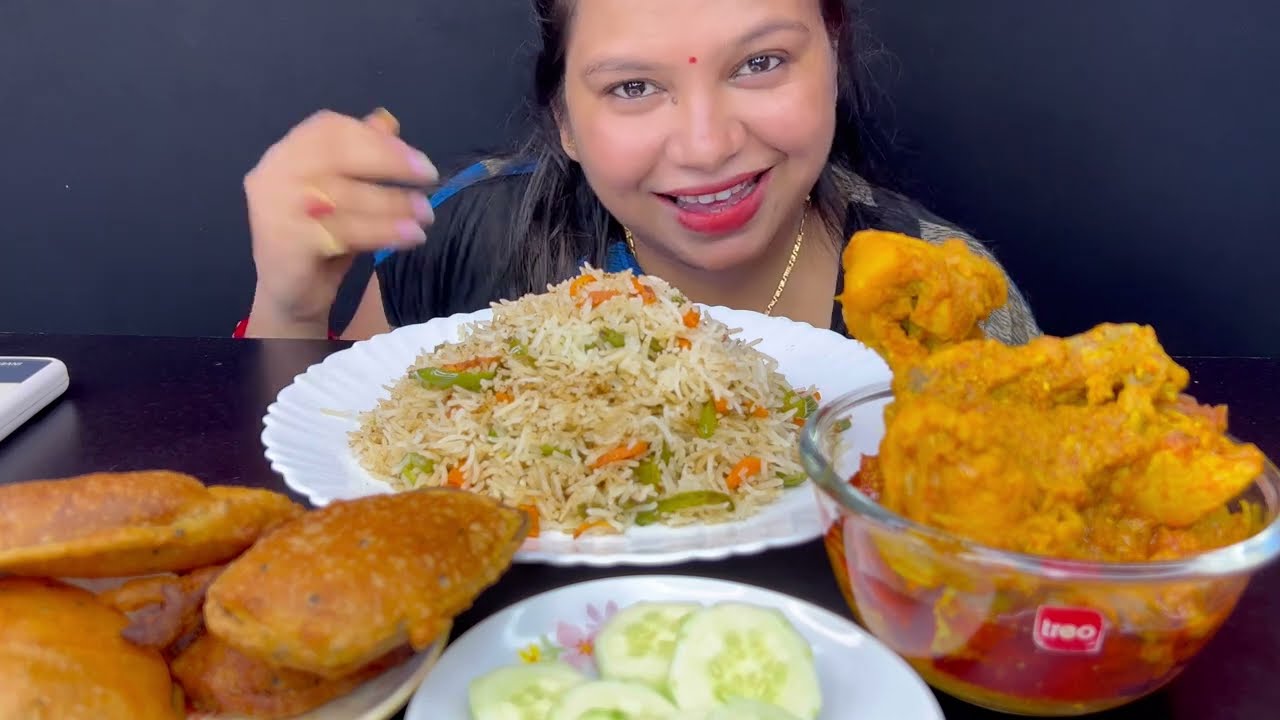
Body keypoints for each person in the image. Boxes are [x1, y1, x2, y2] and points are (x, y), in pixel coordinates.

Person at [240, 0, 1039, 344]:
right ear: (565, 120)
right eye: (632, 86)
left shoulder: (953, 294)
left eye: (761, 63)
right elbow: (310, 534)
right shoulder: (459, 239)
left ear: (835, 60)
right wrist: (290, 303)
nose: (703, 145)